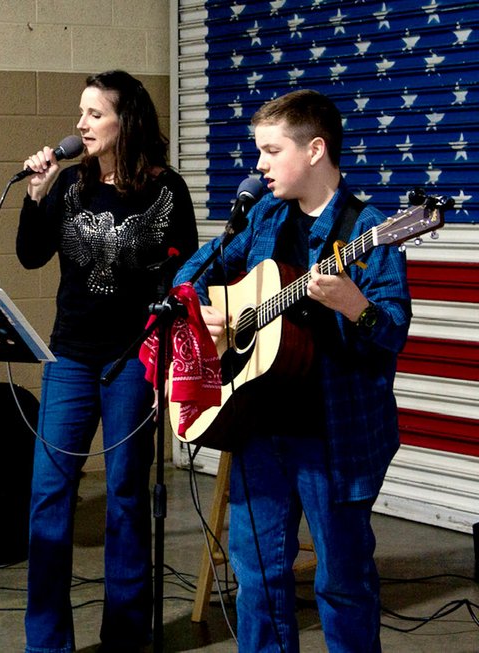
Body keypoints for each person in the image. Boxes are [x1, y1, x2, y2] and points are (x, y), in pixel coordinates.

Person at [174, 89, 411, 652]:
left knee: (342, 582)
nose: (258, 164)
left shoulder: (370, 229)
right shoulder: (261, 217)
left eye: (270, 150)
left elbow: (393, 332)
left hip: (336, 436)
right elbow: (193, 270)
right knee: (257, 578)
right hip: (260, 424)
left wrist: (356, 305)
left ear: (315, 150)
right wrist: (209, 312)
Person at [16, 70, 198, 653]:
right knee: (49, 491)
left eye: (94, 114)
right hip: (69, 355)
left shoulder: (166, 190)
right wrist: (35, 196)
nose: (80, 124)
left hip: (132, 359)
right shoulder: (69, 186)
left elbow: (188, 272)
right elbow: (29, 255)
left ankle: (124, 637)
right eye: (80, 113)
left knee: (125, 493)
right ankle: (47, 643)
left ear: (127, 120)